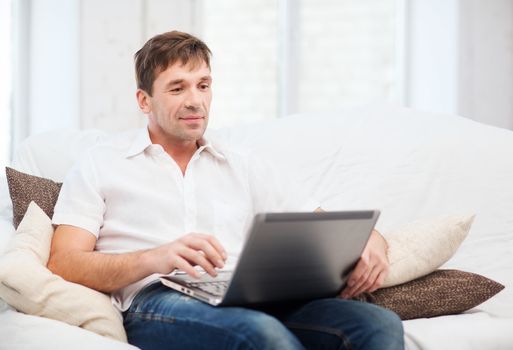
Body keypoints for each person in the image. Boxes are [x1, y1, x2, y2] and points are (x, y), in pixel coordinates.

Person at [48, 30, 404, 350]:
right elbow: (64, 262)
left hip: (244, 294)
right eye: (177, 88)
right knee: (258, 333)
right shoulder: (102, 163)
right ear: (144, 101)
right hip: (156, 298)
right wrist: (157, 257)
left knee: (376, 324)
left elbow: (326, 227)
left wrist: (373, 242)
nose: (195, 101)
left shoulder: (243, 164)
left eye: (203, 85)